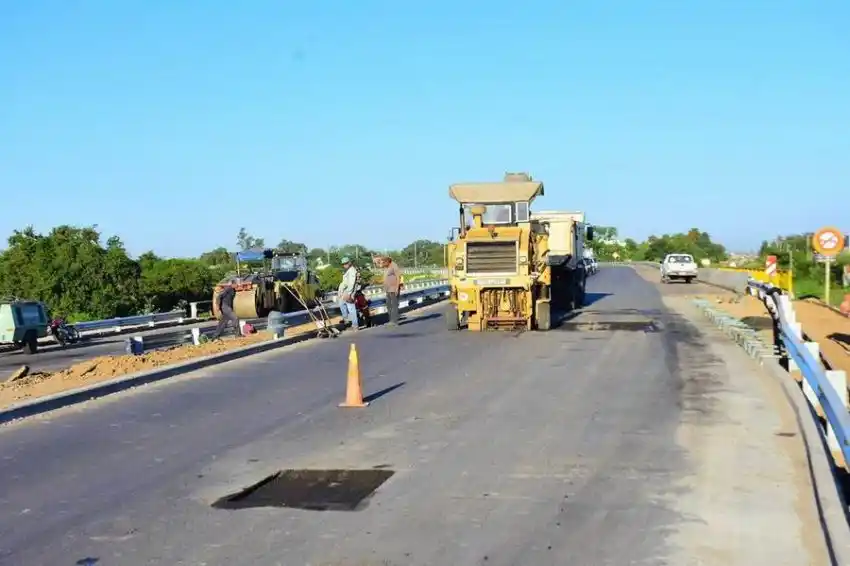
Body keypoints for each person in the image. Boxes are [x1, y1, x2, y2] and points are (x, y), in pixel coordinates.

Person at [337, 257, 360, 331]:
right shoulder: (348, 271)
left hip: (348, 292)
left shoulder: (352, 271)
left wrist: (349, 293)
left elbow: (351, 283)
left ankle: (355, 326)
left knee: (351, 308)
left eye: (346, 263)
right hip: (345, 292)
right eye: (343, 264)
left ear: (349, 263)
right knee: (341, 304)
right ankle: (346, 319)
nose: (344, 265)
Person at [382, 256, 403, 325]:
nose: (383, 264)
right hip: (388, 289)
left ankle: (395, 321)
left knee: (394, 305)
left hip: (393, 288)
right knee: (388, 304)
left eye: (384, 262)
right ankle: (391, 320)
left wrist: (397, 288)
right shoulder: (387, 267)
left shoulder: (394, 266)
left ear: (388, 261)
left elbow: (398, 277)